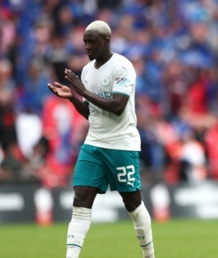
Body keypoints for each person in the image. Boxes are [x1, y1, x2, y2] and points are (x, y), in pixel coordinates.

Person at [47, 20, 155, 258]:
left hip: (121, 144)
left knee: (133, 204)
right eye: (84, 41)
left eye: (91, 41)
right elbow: (90, 112)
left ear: (106, 41)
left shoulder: (122, 67)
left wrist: (83, 91)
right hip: (94, 144)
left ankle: (149, 255)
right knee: (81, 197)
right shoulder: (86, 71)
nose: (86, 46)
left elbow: (118, 106)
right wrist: (73, 98)